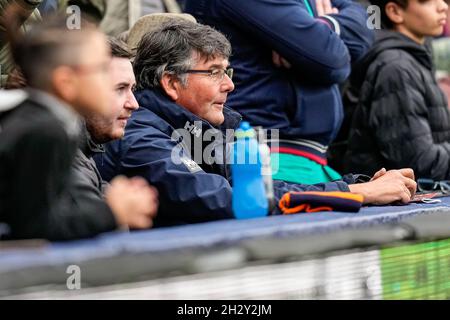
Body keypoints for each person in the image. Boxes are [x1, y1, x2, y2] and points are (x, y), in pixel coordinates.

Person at [96, 20, 417, 227]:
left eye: (228, 71)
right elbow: (222, 200)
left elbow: (264, 191)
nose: (229, 85)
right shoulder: (138, 133)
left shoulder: (209, 129)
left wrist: (357, 185)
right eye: (214, 72)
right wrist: (355, 193)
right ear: (171, 83)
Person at [0, 10, 155, 241]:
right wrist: (112, 211)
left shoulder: (47, 121)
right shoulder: (45, 130)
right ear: (66, 83)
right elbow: (35, 228)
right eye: (102, 69)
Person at [184, 0, 374, 185]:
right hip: (264, 159)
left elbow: (366, 22)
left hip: (311, 162)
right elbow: (333, 59)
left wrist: (325, 25)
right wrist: (322, 36)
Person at [344, 0, 450, 180]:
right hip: (394, 204)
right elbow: (418, 162)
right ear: (395, 12)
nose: (443, 6)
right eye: (427, 1)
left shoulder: (413, 60)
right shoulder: (396, 67)